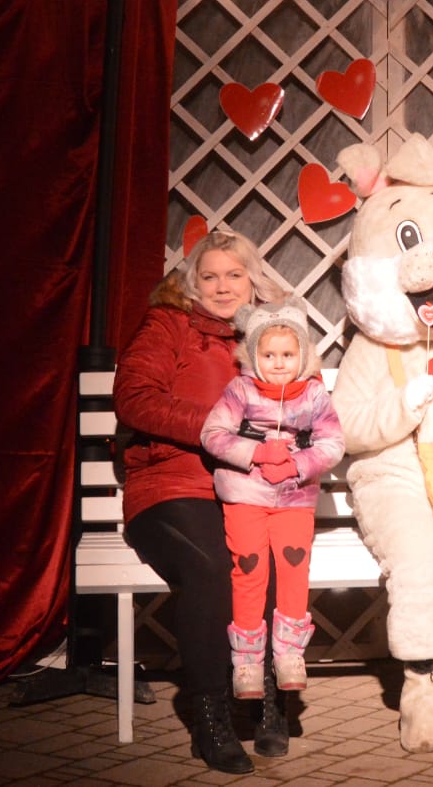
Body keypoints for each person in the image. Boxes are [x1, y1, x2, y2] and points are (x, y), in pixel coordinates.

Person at [113, 228, 288, 775]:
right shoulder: (169, 325)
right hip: (171, 484)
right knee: (213, 566)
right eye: (209, 276)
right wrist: (220, 430)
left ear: (252, 280)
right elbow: (134, 398)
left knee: (267, 555)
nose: (222, 286)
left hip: (247, 488)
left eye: (234, 275)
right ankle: (210, 717)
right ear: (192, 282)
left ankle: (266, 696)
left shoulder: (270, 334)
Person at [201, 302, 345, 700]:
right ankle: (247, 661)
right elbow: (212, 434)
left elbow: (333, 442)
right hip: (246, 494)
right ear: (254, 357)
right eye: (268, 355)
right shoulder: (241, 390)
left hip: (294, 497)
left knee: (294, 567)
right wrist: (256, 453)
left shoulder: (313, 394)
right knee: (249, 568)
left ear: (302, 356)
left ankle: (289, 654)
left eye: (287, 354)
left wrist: (298, 464)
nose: (279, 364)